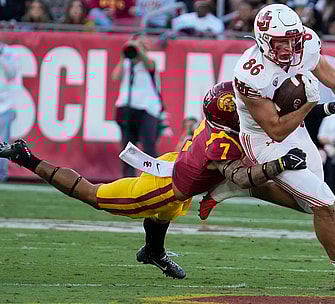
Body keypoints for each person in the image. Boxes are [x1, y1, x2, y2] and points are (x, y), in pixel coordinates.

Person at [0, 81, 312, 281]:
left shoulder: (220, 120)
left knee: (167, 214)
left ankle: (153, 252)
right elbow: (243, 177)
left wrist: (317, 105)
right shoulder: (223, 144)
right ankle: (24, 157)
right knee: (94, 194)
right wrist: (279, 165)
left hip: (172, 163)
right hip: (164, 187)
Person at [232, 3, 335, 293]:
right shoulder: (251, 73)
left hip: (295, 132)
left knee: (309, 203)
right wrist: (309, 103)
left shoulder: (308, 45)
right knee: (324, 202)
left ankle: (248, 186)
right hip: (263, 140)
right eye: (281, 41)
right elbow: (274, 130)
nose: (290, 47)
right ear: (263, 39)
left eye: (293, 39)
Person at [113, 33, 163, 177]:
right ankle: (127, 180)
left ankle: (154, 178)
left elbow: (149, 65)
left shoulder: (150, 61)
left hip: (147, 108)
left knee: (149, 146)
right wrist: (124, 55)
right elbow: (115, 76)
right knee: (127, 148)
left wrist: (138, 48)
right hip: (127, 107)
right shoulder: (127, 64)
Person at [0, 42, 18, 182]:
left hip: (4, 104)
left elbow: (12, 73)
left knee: (2, 142)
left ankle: (1, 173)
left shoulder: (8, 51)